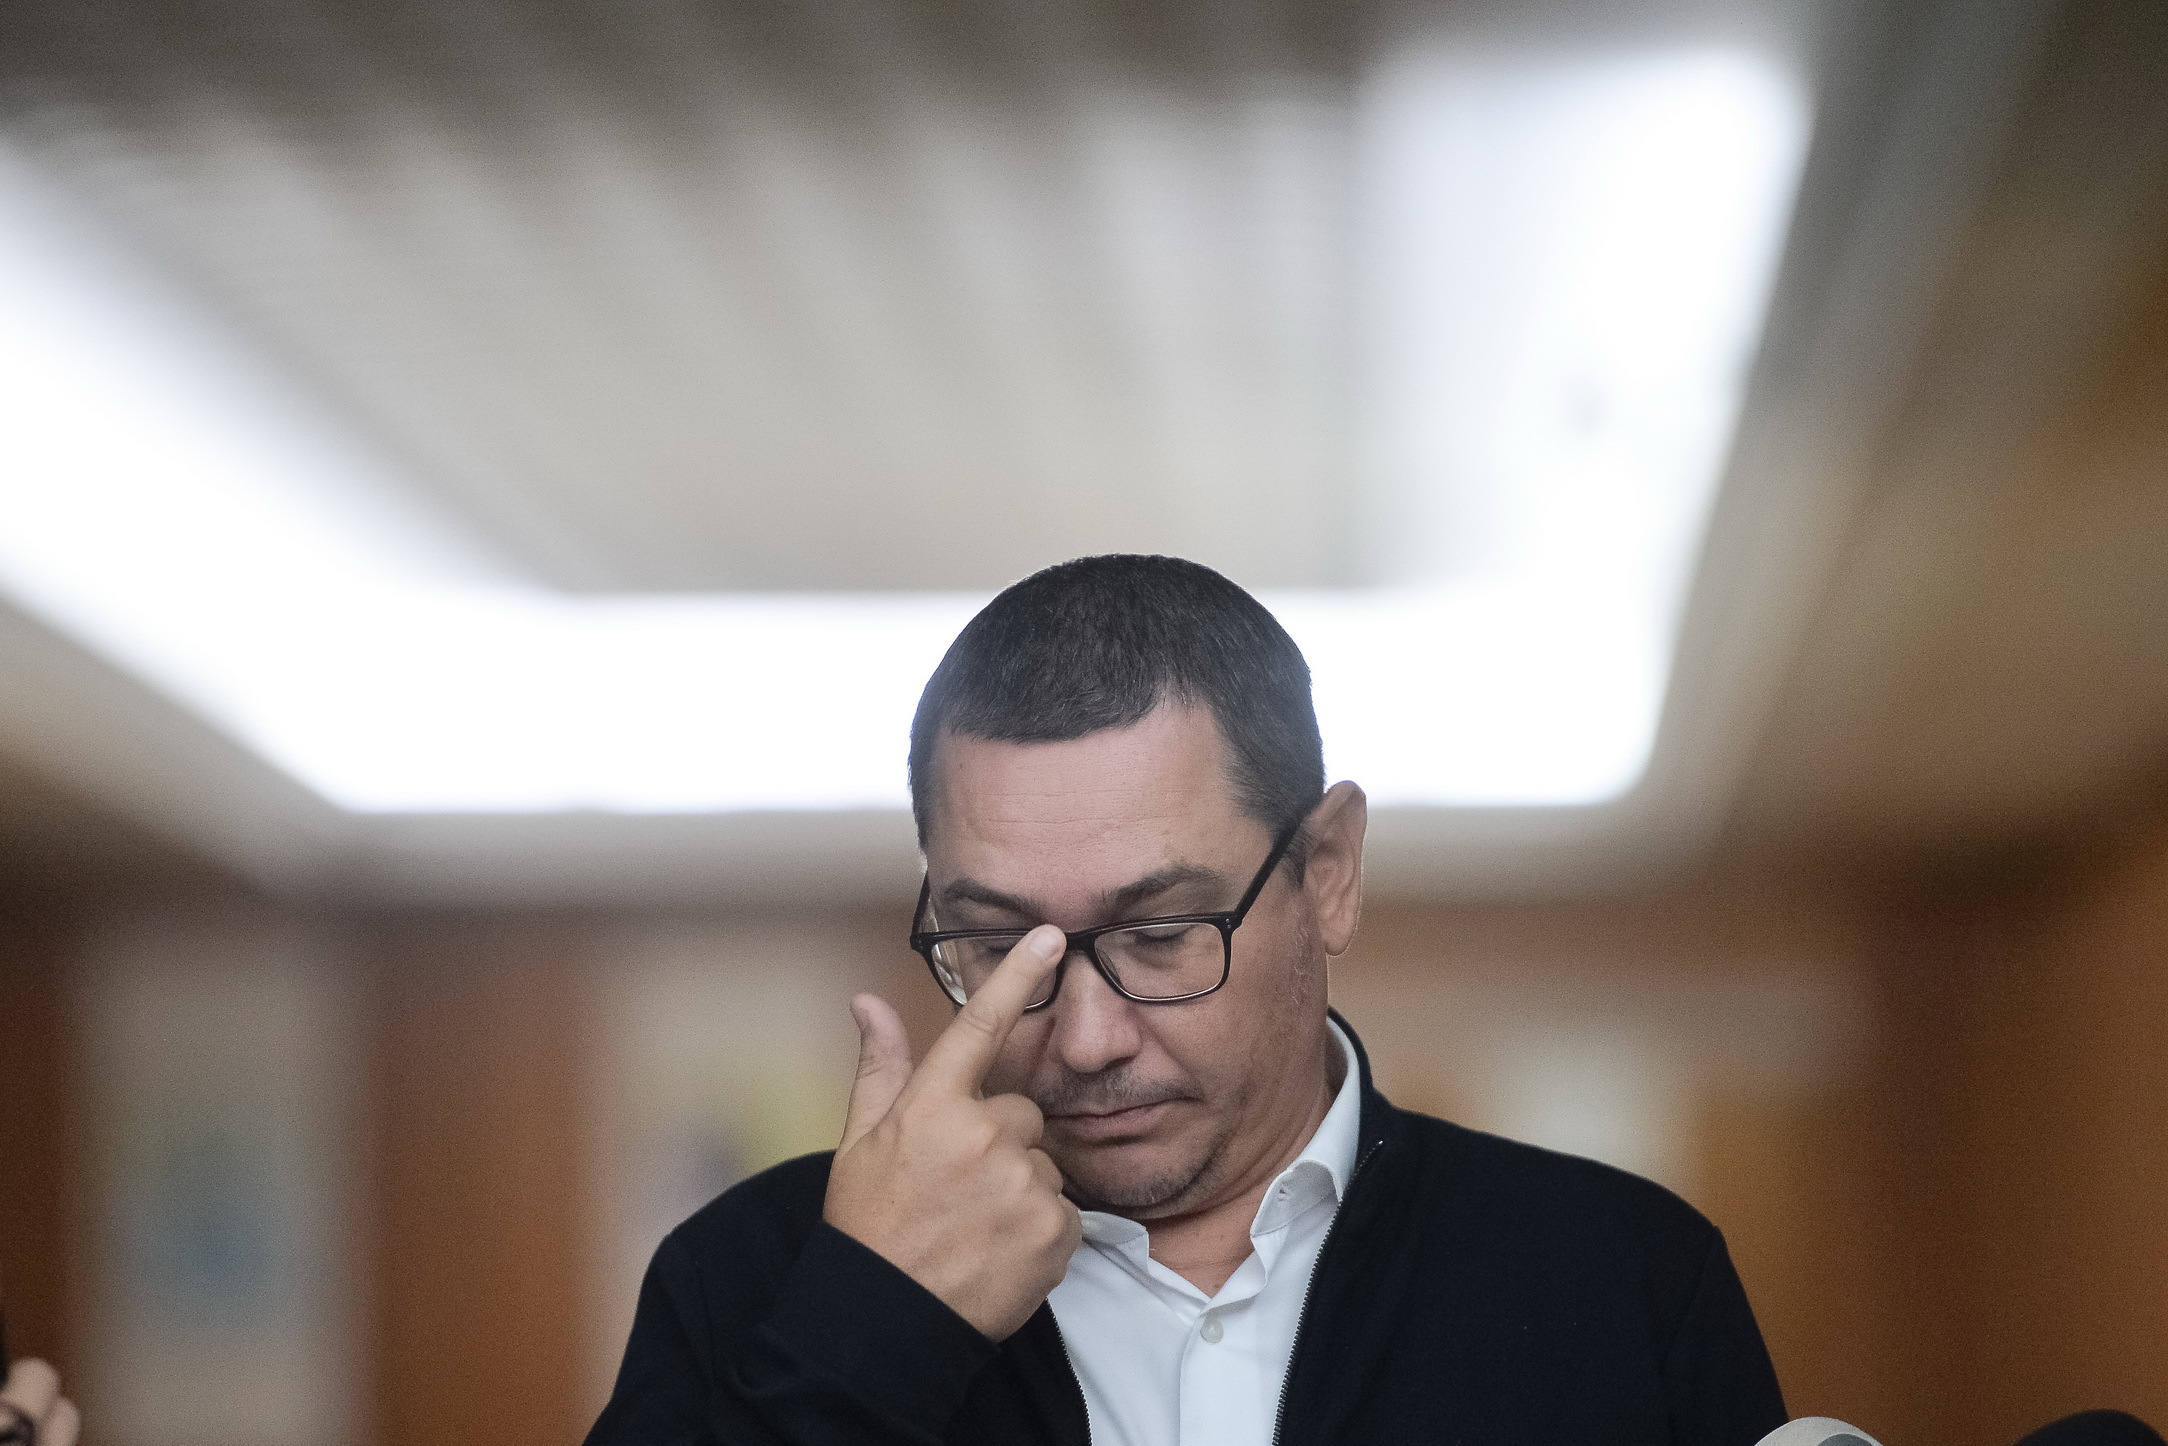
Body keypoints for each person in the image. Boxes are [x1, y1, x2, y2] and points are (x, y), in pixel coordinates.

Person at [587, 554, 1786, 1446]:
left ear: (1327, 873)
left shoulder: (1617, 1277)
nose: (1085, 1040)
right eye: (1000, 945)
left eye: (1161, 935)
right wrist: (868, 1338)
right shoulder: (752, 1281)